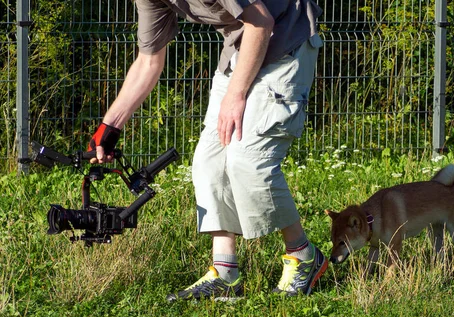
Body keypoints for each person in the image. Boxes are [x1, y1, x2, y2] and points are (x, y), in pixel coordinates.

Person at [88, 0, 328, 300]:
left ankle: (303, 254)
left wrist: (236, 95)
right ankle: (225, 273)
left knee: (248, 160)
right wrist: (110, 126)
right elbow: (149, 60)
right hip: (243, 47)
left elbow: (261, 23)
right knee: (208, 162)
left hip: (286, 40)